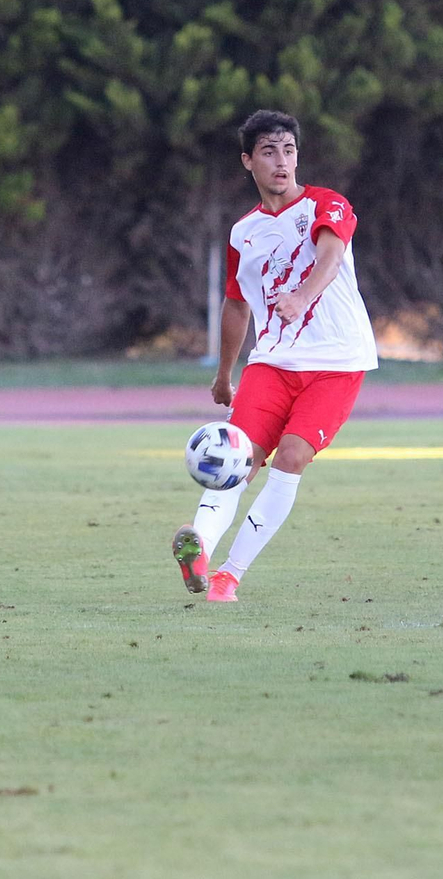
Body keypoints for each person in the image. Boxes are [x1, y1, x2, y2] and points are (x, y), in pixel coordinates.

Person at [171, 110, 379, 602]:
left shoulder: (327, 204)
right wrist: (224, 374)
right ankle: (199, 551)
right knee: (237, 462)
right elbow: (236, 304)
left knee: (291, 456)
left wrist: (303, 296)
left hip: (336, 363)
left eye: (288, 150)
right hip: (271, 364)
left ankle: (230, 575)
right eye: (269, 152)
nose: (281, 161)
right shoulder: (243, 233)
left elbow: (330, 257)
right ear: (248, 161)